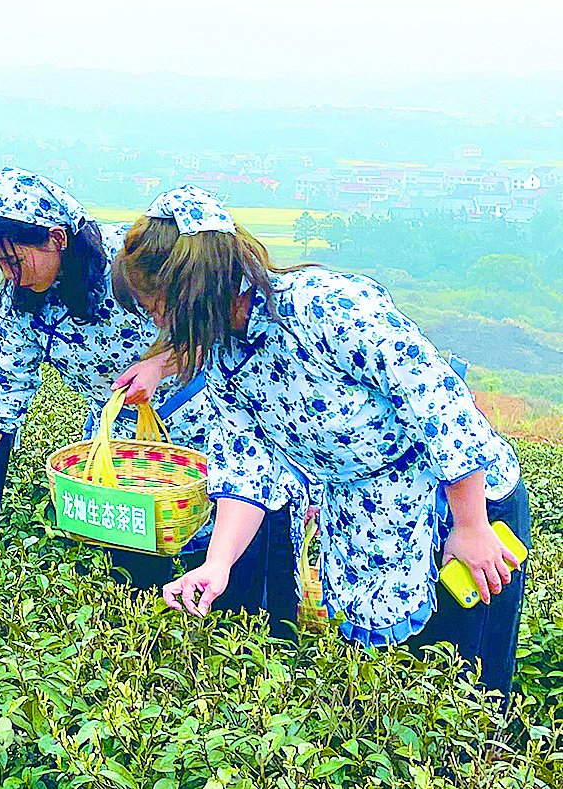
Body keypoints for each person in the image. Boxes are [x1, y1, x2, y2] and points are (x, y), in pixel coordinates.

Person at [115, 185, 528, 701]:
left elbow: (438, 402)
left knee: (470, 694)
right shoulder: (223, 353)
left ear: (195, 291)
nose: (155, 323)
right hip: (369, 521)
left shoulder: (326, 308)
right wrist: (217, 564)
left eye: (159, 307)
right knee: (393, 697)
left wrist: (470, 525)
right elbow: (247, 468)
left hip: (460, 505)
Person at [0, 170, 299, 623]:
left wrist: (160, 365)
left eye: (15, 261)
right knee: (135, 583)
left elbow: (213, 314)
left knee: (228, 579)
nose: (9, 276)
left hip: (208, 423)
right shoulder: (21, 302)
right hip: (120, 446)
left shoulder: (134, 261)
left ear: (57, 239)